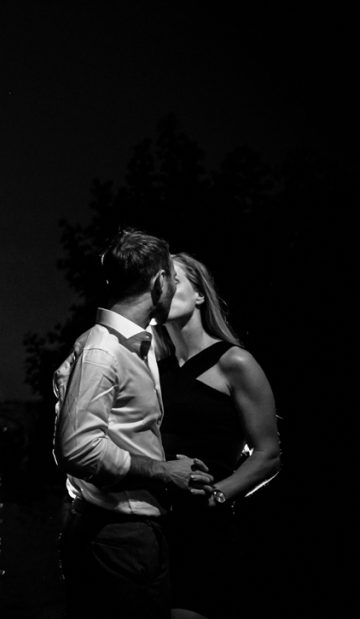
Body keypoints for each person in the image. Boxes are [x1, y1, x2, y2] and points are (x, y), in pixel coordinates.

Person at [53, 229, 213, 619]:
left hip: (131, 534)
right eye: (172, 279)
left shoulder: (134, 343)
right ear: (159, 283)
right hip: (116, 537)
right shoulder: (103, 352)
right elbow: (77, 449)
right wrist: (162, 472)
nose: (174, 287)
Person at [157, 253, 281, 619]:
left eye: (173, 278)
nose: (163, 287)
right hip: (157, 519)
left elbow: (269, 453)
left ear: (199, 295)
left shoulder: (234, 362)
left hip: (206, 527)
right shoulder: (154, 367)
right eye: (157, 280)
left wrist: (218, 496)